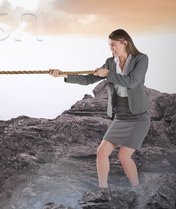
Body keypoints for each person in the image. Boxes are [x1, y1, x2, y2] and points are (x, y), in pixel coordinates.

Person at [49, 29, 150, 188]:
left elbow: (132, 82)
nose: (111, 49)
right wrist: (63, 75)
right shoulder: (110, 62)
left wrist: (108, 73)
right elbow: (88, 79)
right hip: (121, 116)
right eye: (110, 46)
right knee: (101, 152)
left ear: (125, 43)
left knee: (124, 156)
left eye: (113, 45)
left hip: (138, 116)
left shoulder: (141, 59)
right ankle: (103, 191)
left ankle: (138, 190)